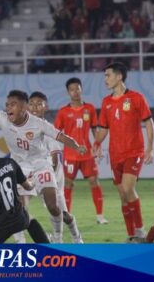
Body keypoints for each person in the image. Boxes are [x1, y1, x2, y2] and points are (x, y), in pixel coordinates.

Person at [0, 81, 87, 243]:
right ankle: (22, 242)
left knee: (53, 207)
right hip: (19, 166)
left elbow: (60, 136)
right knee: (17, 207)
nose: (8, 108)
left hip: (40, 164)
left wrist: (77, 146)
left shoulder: (39, 124)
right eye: (7, 105)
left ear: (24, 108)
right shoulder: (2, 118)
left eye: (13, 104)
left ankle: (59, 238)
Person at [93, 62, 154, 242]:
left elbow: (148, 122)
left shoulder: (136, 98)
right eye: (105, 76)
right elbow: (103, 128)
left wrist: (150, 147)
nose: (105, 79)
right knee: (122, 195)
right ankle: (131, 234)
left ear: (119, 77)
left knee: (128, 188)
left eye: (108, 75)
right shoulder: (106, 102)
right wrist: (96, 142)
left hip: (133, 152)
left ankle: (141, 231)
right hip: (115, 155)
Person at [28, 91, 83, 243]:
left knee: (59, 213)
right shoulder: (23, 129)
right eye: (32, 103)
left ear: (46, 107)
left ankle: (73, 235)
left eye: (39, 104)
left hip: (53, 179)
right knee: (18, 208)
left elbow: (55, 158)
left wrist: (47, 172)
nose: (35, 107)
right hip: (32, 177)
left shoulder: (49, 130)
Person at [55, 77, 108, 224]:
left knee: (94, 181)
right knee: (68, 184)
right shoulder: (63, 112)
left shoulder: (89, 109)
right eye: (72, 89)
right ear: (68, 92)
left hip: (87, 155)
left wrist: (97, 146)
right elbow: (56, 133)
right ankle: (67, 216)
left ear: (81, 89)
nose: (75, 92)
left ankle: (100, 216)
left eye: (77, 88)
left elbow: (94, 130)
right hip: (70, 156)